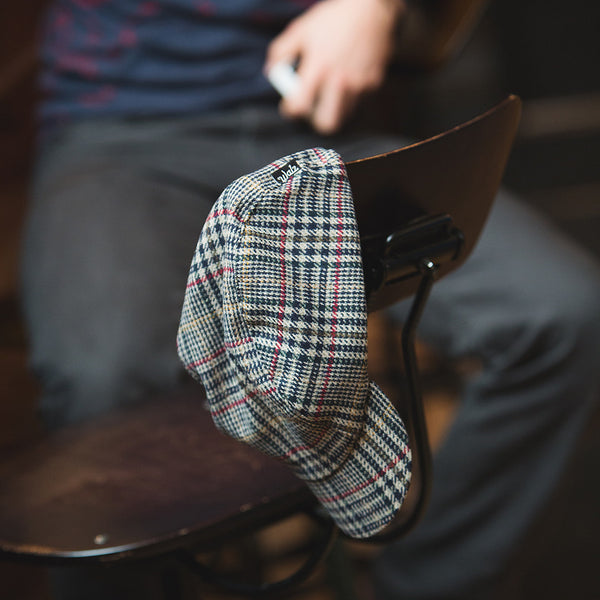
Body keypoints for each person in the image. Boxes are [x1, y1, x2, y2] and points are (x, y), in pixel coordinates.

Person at [21, 0, 600, 598]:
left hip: (315, 130)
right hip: (120, 133)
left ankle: (432, 584)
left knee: (560, 316)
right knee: (102, 380)